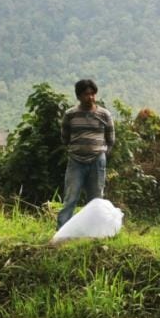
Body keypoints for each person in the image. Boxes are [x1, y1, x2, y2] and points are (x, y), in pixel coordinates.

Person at [57, 78, 115, 229]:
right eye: (86, 94)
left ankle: (95, 232)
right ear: (79, 96)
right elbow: (64, 137)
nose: (90, 97)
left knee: (96, 200)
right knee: (71, 198)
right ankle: (62, 232)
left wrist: (101, 154)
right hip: (76, 161)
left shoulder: (104, 115)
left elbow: (111, 139)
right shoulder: (70, 115)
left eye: (92, 94)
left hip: (97, 161)